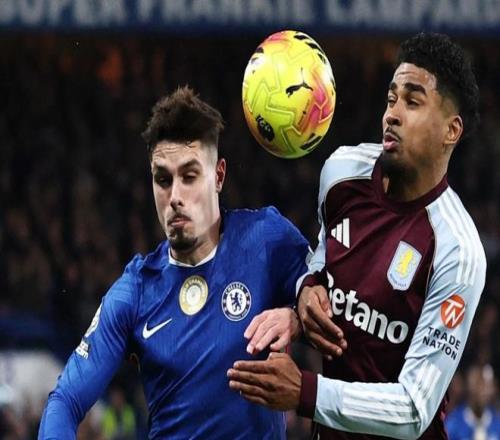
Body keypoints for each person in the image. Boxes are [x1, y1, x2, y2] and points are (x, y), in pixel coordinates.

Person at [228, 32, 487, 439]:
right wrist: (307, 290)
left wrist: (306, 392)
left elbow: (413, 408)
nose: (392, 115)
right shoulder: (341, 173)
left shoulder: (457, 250)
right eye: (391, 99)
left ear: (450, 130)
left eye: (412, 102)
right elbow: (322, 255)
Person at [38, 86, 310, 439]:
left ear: (219, 176)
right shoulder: (136, 291)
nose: (175, 197)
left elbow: (337, 307)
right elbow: (65, 401)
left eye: (189, 176)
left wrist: (296, 318)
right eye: (163, 180)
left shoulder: (268, 241)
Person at [446, 364, 500, 440]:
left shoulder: (497, 423)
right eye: (480, 385)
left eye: (487, 385)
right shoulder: (453, 423)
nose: (484, 391)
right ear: (470, 387)